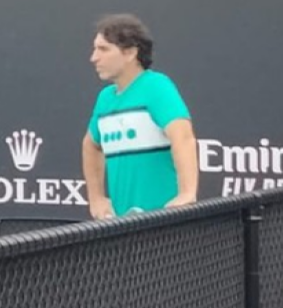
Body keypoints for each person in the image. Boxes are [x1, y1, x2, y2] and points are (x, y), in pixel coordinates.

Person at [81, 14, 198, 219]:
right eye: (95, 49)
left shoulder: (156, 86)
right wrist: (96, 198)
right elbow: (90, 145)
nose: (94, 58)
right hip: (124, 229)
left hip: (165, 225)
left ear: (130, 53)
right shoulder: (105, 98)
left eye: (103, 49)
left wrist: (187, 194)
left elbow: (183, 136)